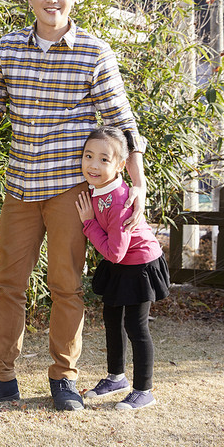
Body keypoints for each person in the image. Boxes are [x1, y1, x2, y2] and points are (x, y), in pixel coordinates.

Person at [0, 0, 149, 411]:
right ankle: (1, 378)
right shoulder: (8, 49)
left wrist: (139, 185)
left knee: (66, 286)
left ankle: (64, 378)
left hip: (72, 192)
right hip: (20, 187)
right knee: (8, 285)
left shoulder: (94, 51)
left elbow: (120, 120)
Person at [74, 126, 170, 410]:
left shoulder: (118, 200)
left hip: (139, 264)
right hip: (120, 264)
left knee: (136, 327)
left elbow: (115, 252)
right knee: (112, 320)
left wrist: (89, 223)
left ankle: (144, 390)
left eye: (104, 160)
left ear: (120, 166)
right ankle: (116, 377)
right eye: (88, 156)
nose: (93, 165)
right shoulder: (98, 189)